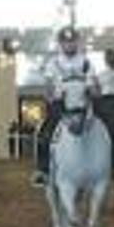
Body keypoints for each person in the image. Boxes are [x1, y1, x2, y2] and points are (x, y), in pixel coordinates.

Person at [33, 26, 91, 186]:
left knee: (103, 129)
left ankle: (107, 165)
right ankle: (42, 170)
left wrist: (92, 91)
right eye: (66, 42)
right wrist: (50, 96)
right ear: (61, 44)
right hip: (60, 105)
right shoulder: (53, 63)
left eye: (72, 42)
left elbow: (93, 84)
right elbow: (48, 85)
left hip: (82, 104)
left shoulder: (85, 61)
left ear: (77, 43)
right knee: (45, 131)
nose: (69, 45)